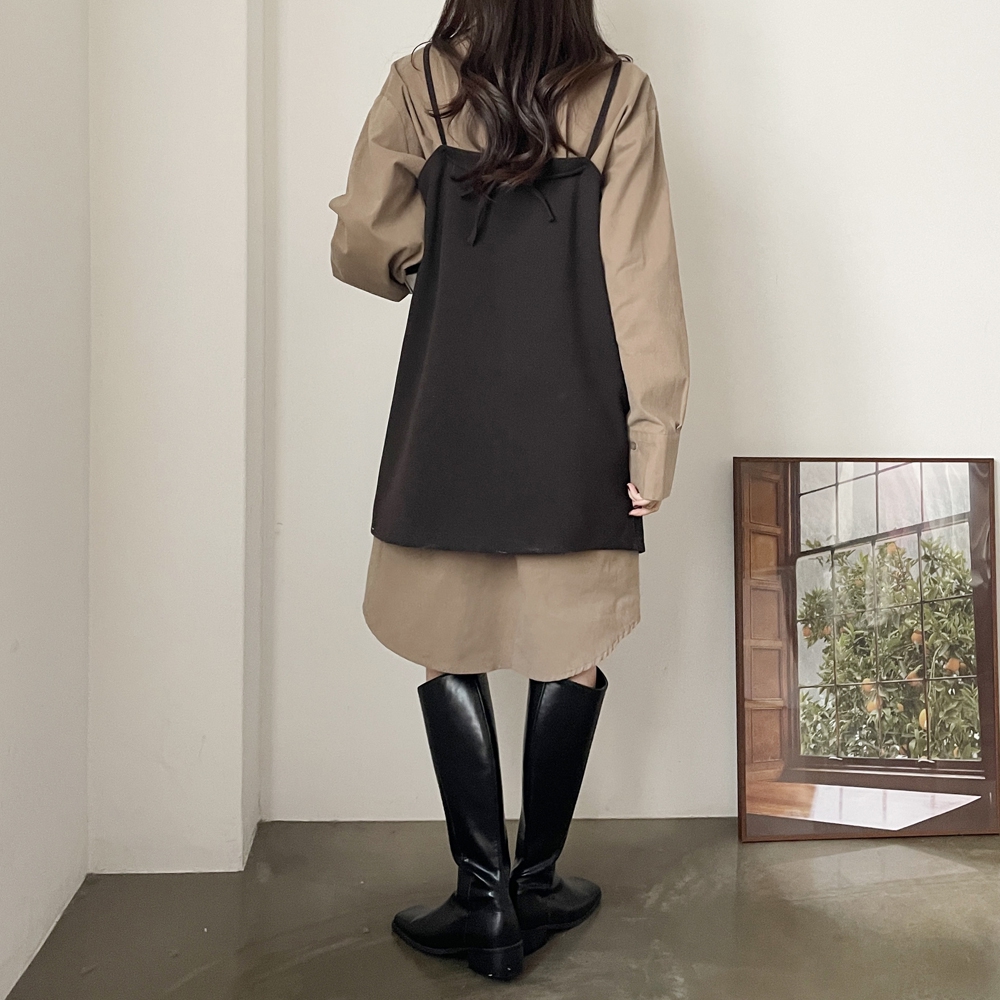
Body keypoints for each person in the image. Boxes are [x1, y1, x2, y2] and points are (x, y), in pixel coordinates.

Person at [328, 0, 689, 981]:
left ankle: (482, 899)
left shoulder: (419, 82)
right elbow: (641, 279)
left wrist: (436, 252)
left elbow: (361, 244)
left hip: (449, 410)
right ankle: (535, 883)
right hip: (576, 418)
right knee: (571, 642)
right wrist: (653, 432)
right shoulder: (619, 94)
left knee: (445, 636)